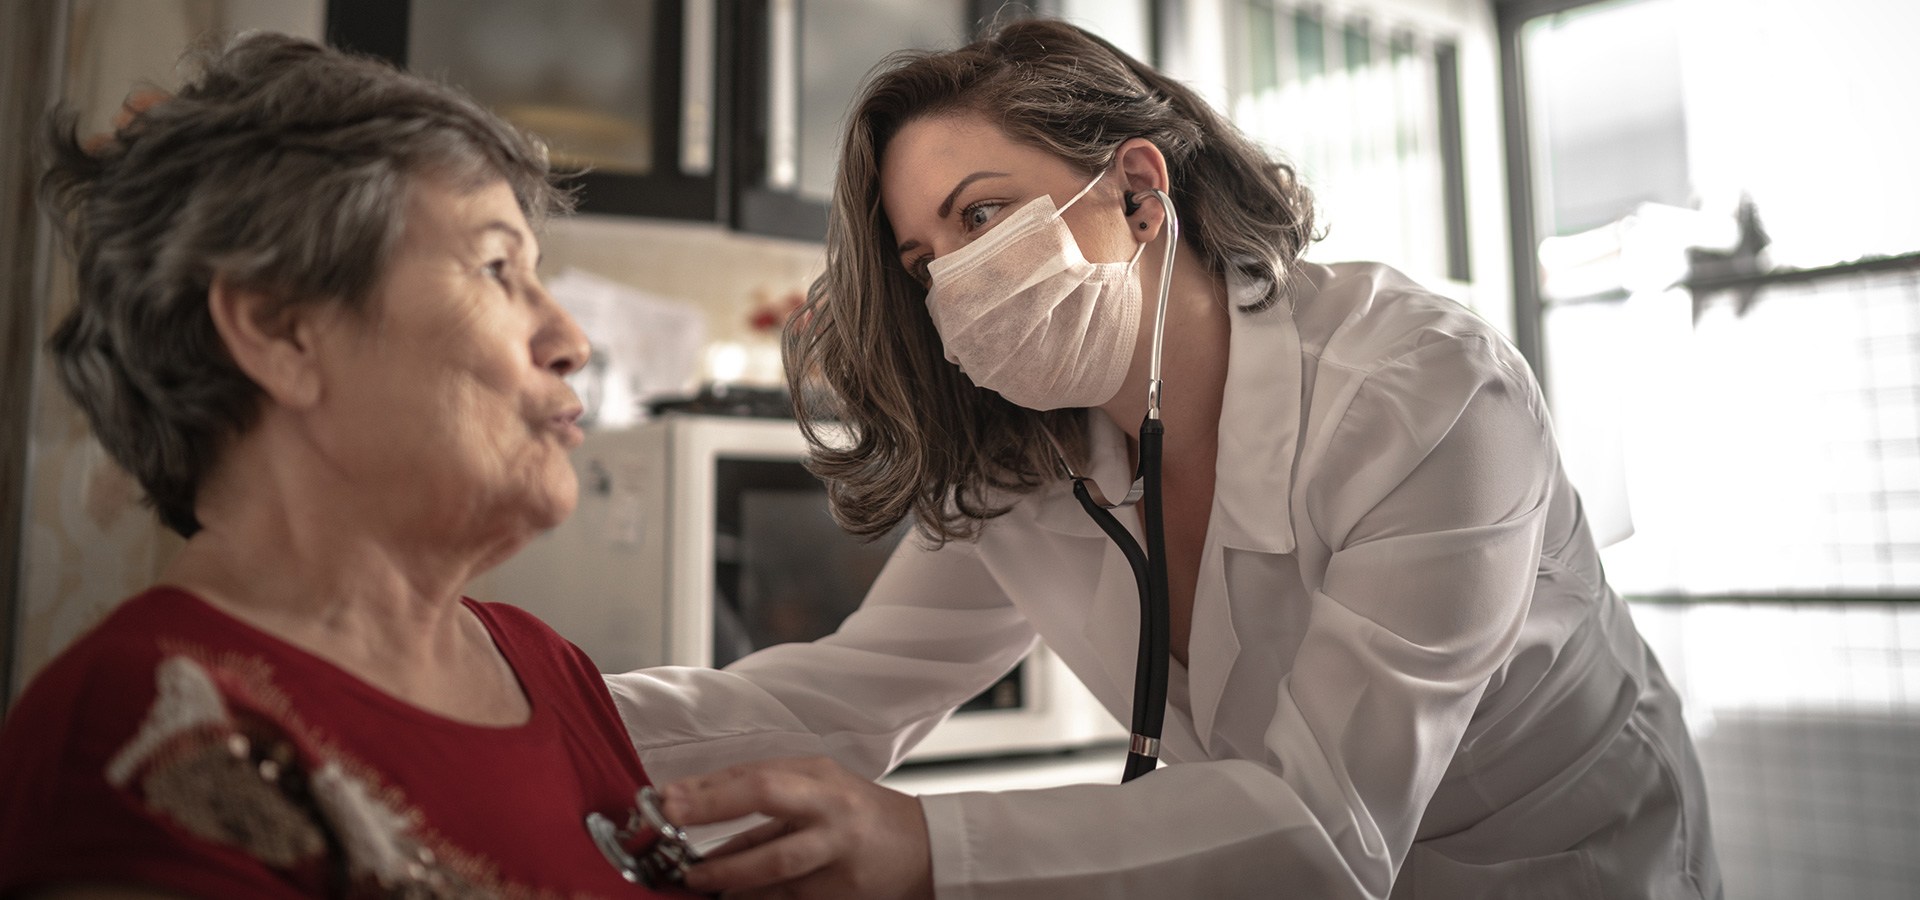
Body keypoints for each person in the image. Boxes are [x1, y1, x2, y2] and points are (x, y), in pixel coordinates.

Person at [605, 18, 1723, 899]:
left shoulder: (1421, 393)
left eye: (982, 214)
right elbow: (850, 693)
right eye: (921, 257)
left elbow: (1326, 832)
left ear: (1141, 192)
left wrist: (924, 847)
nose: (951, 279)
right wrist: (530, 700)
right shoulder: (1027, 458)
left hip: (1570, 872)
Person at [0, 33, 698, 898]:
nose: (572, 342)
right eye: (495, 267)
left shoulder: (545, 663)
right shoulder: (140, 725)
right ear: (281, 330)